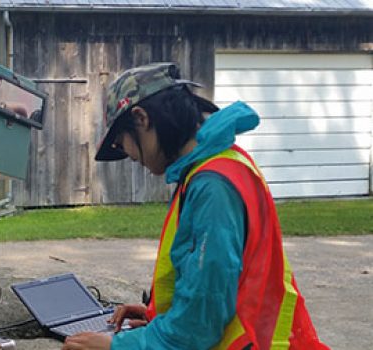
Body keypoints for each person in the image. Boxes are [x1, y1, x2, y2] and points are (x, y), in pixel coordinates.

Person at [62, 63, 328, 350]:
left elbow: (200, 322)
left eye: (120, 143)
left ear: (141, 119)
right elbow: (216, 284)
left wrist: (119, 345)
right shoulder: (218, 165)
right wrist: (158, 317)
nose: (129, 156)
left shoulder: (212, 185)